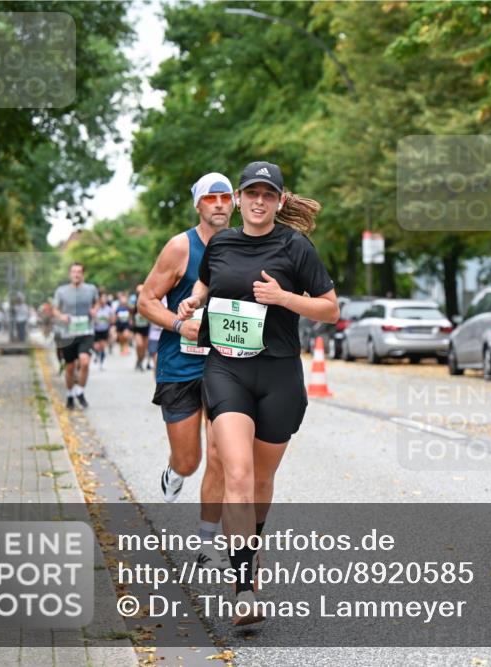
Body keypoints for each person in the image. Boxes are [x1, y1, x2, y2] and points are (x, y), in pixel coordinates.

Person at [177, 161, 338, 625]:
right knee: (238, 474)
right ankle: (244, 587)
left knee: (262, 483)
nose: (259, 201)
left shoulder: (296, 247)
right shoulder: (221, 242)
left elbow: (329, 309)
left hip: (279, 374)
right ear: (241, 197)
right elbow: (207, 285)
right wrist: (194, 300)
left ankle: (250, 550)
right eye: (252, 193)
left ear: (280, 201)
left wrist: (284, 298)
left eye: (269, 194)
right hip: (226, 369)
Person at [138, 172, 238, 571]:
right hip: (180, 364)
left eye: (225, 197)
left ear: (233, 202)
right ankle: (174, 471)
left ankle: (206, 541)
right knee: (190, 460)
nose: (218, 204)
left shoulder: (244, 245)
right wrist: (181, 325)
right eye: (210, 198)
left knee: (220, 453)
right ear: (198, 205)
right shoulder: (181, 247)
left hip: (225, 364)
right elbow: (146, 300)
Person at [53, 262, 99, 410]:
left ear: (83, 274)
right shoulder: (61, 291)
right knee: (70, 368)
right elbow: (55, 310)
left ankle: (79, 391)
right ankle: (69, 394)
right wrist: (61, 317)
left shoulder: (91, 289)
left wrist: (94, 310)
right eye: (74, 272)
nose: (76, 274)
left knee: (85, 362)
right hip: (68, 333)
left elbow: (97, 303)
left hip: (86, 332)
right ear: (70, 274)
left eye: (79, 272)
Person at [91, 293, 115, 369]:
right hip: (95, 330)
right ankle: (96, 355)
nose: (103, 300)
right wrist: (94, 318)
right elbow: (91, 317)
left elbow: (113, 320)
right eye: (102, 299)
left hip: (104, 330)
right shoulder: (95, 308)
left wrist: (109, 320)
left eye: (105, 299)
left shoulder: (109, 309)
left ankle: (101, 363)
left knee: (102, 346)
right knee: (96, 347)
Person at [132, 284, 152, 371]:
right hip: (137, 329)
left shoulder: (148, 302)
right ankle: (139, 361)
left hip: (146, 328)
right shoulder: (133, 303)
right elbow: (131, 314)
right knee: (139, 345)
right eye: (138, 292)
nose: (139, 294)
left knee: (144, 348)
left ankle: (139, 361)